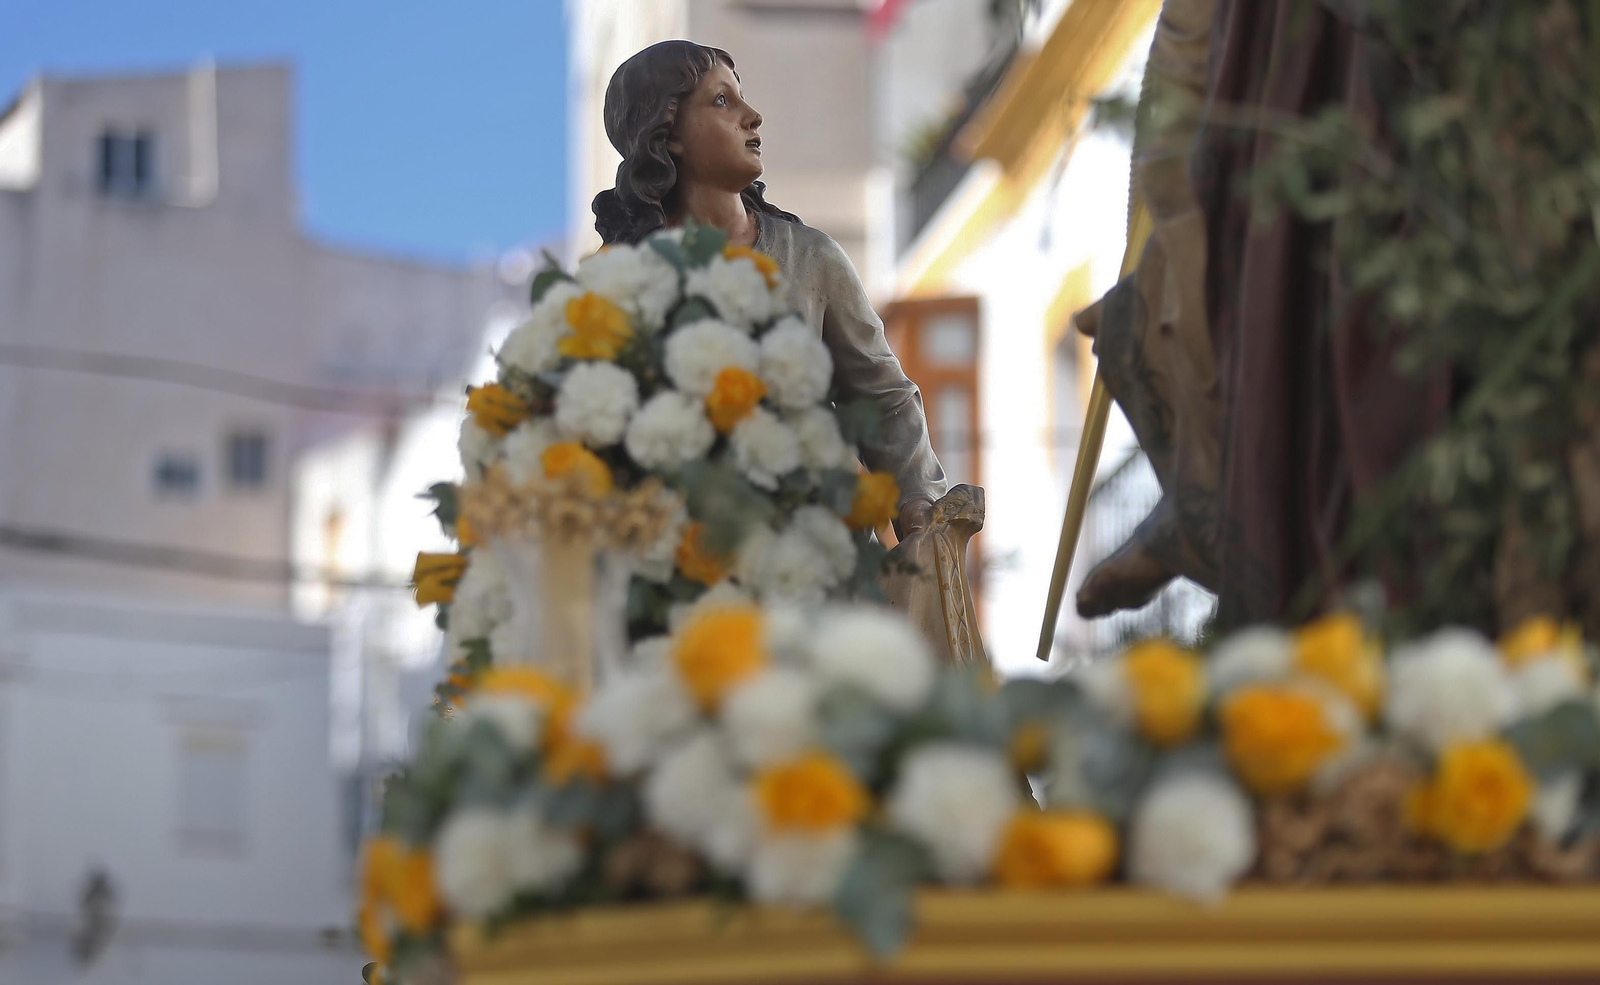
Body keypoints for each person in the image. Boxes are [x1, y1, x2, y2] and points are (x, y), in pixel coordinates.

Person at [591, 40, 947, 538]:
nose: (752, 116)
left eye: (742, 98)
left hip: (817, 562)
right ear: (668, 133)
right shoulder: (619, 285)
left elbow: (884, 398)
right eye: (722, 101)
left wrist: (919, 499)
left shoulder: (811, 259)